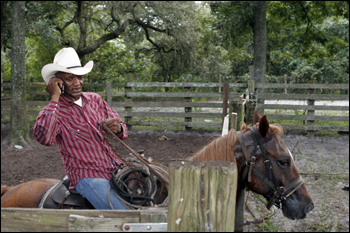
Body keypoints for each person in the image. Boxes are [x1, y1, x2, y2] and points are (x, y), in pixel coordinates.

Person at [34, 47, 128, 209]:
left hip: (116, 168)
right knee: (122, 213)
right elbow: (45, 138)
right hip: (88, 176)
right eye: (70, 79)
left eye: (80, 77)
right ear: (57, 82)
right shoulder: (53, 111)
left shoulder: (95, 99)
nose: (77, 83)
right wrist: (55, 97)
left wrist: (118, 128)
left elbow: (123, 130)